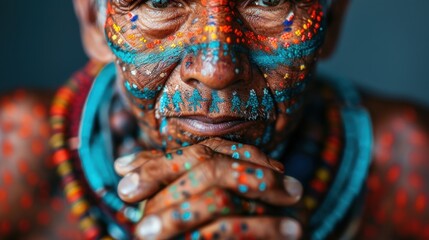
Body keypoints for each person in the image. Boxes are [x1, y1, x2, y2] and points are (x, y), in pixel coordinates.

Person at [1, 0, 428, 239]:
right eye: (161, 2)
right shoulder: (13, 155)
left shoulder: (410, 164)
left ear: (331, 20)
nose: (215, 68)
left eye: (268, 1)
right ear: (94, 20)